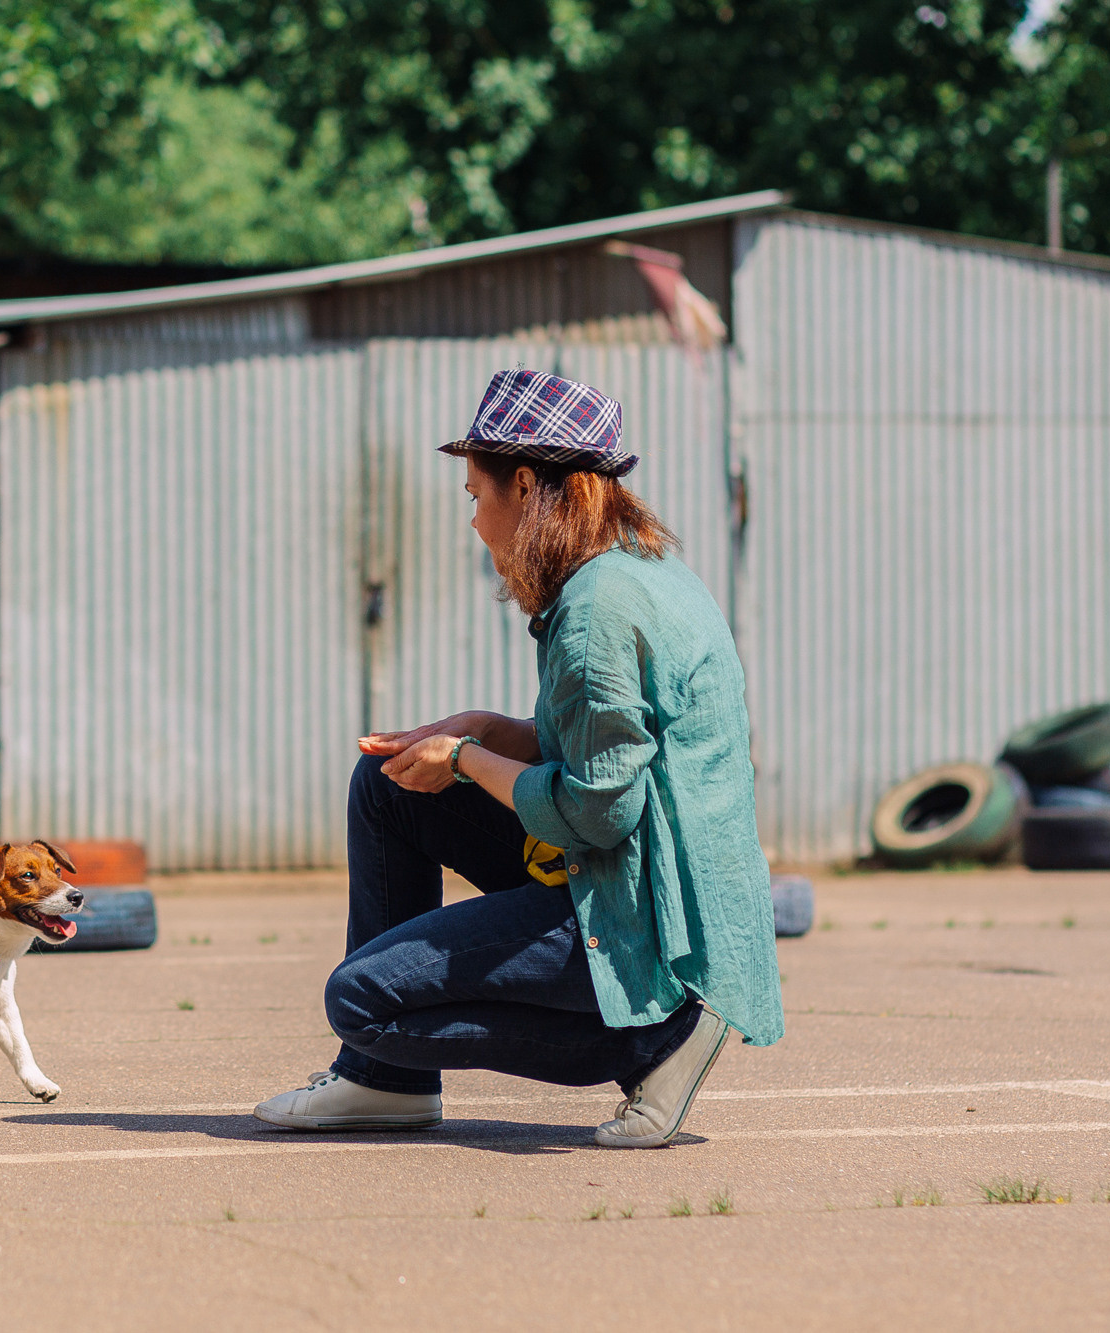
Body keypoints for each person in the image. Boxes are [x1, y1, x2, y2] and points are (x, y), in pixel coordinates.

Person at [254, 369, 782, 1147]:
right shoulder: (639, 569)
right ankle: (386, 1084)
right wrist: (486, 729)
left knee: (362, 1003)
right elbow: (616, 749)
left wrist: (466, 757)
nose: (472, 520)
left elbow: (598, 813)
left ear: (528, 484)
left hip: (637, 910)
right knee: (388, 785)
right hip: (635, 877)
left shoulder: (598, 609)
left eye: (475, 495)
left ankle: (654, 1039)